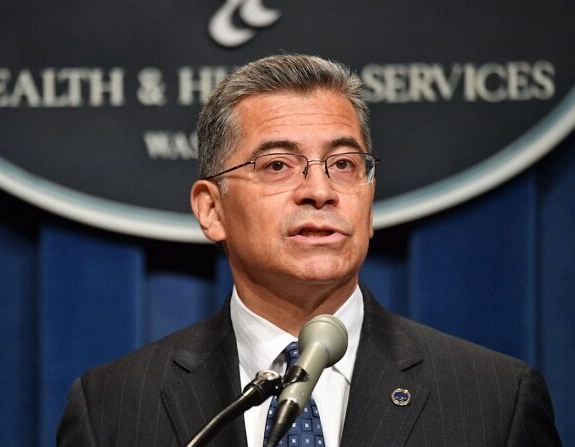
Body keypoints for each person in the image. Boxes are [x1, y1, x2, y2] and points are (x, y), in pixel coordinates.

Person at [56, 54, 561, 447]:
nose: (319, 190)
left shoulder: (494, 399)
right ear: (211, 210)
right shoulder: (114, 408)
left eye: (342, 164)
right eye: (277, 165)